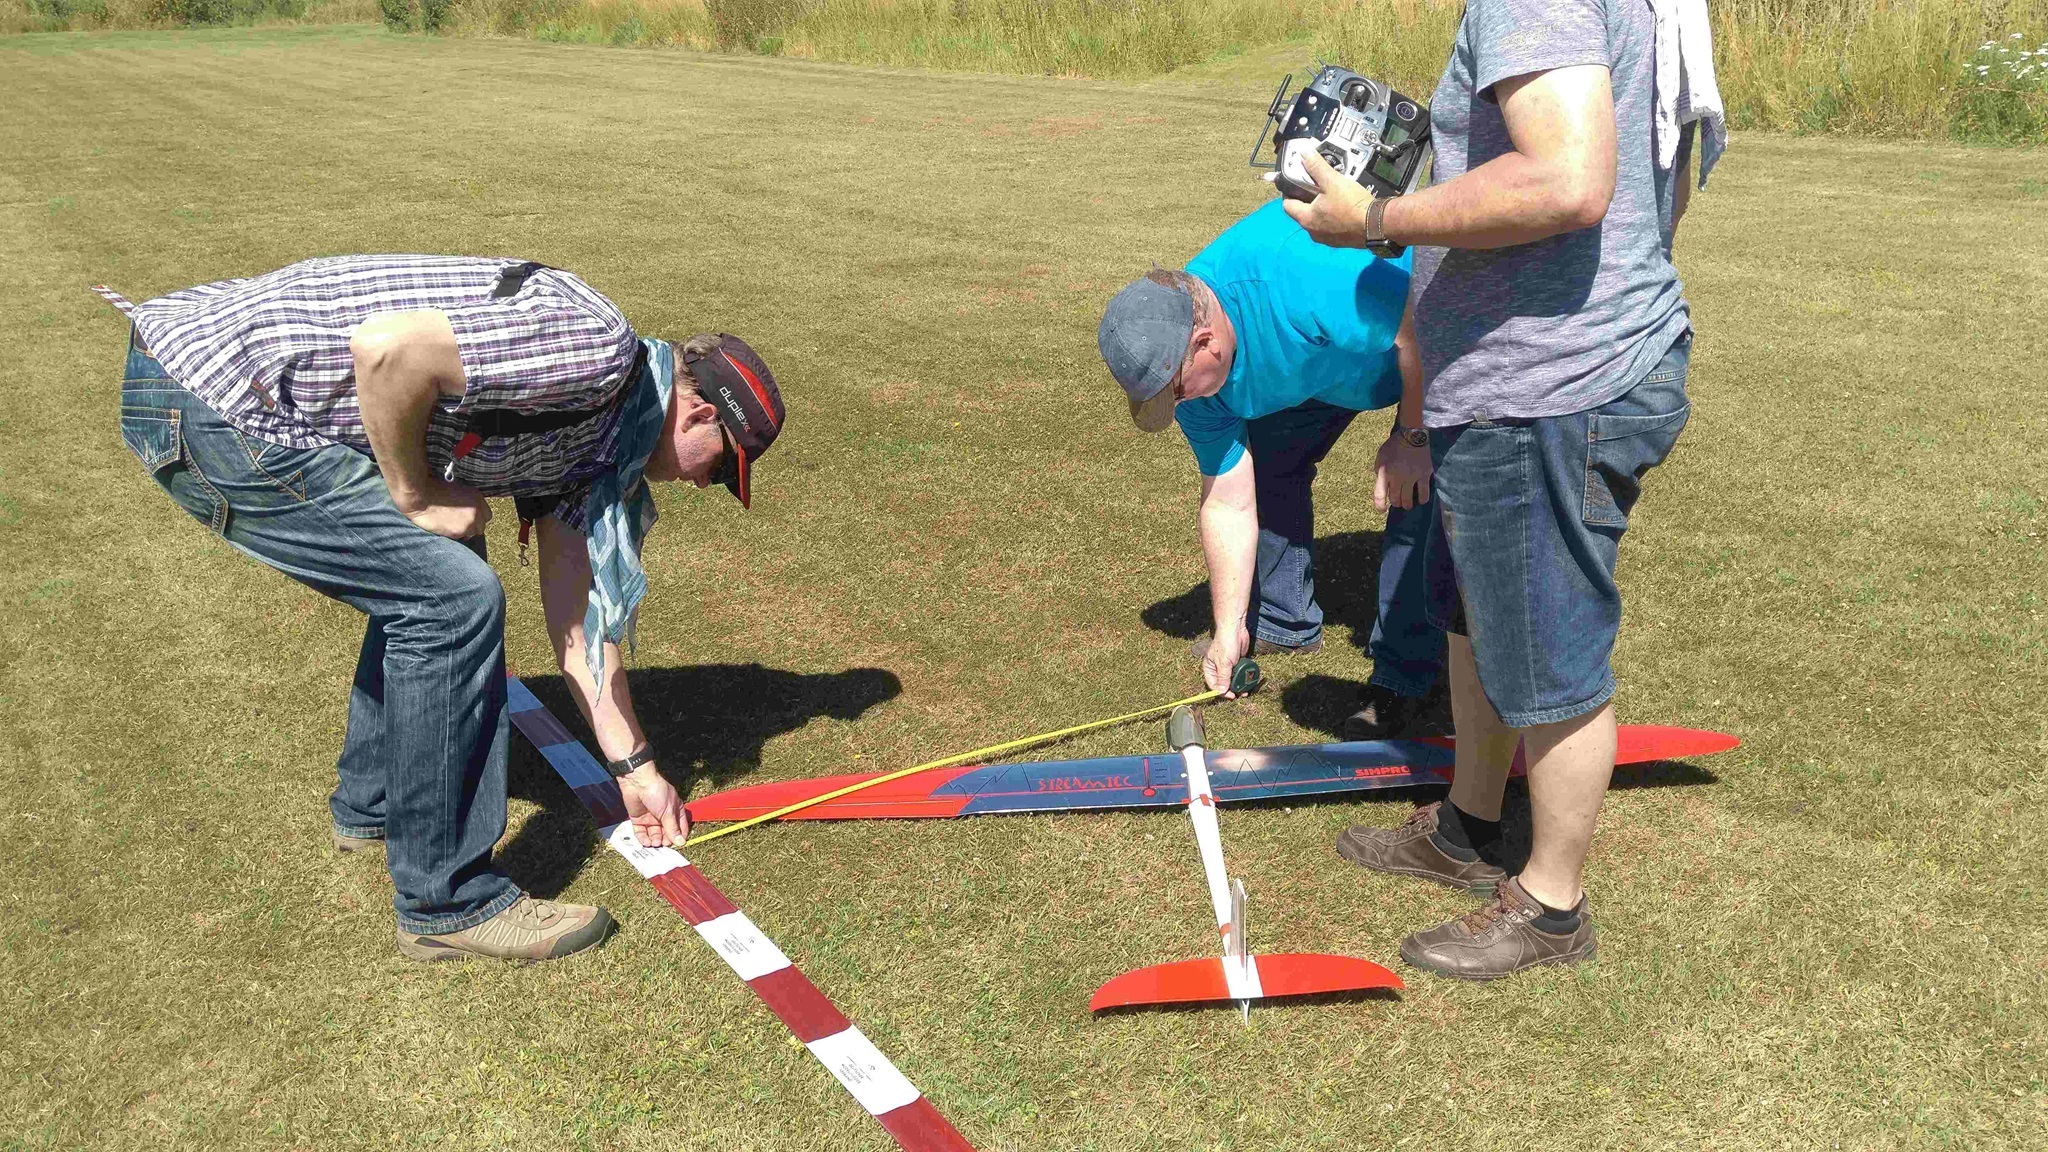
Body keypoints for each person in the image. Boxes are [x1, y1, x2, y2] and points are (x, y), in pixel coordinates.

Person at [98, 256, 785, 962]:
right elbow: (387, 352)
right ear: (701, 413)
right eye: (719, 466)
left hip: (206, 380)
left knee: (439, 569)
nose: (703, 484)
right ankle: (447, 903)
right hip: (215, 401)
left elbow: (577, 616)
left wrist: (634, 767)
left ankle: (375, 805)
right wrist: (415, 493)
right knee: (453, 598)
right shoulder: (598, 353)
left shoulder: (603, 440)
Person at [1284, 0, 1713, 978]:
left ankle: (1550, 907)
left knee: (1547, 647)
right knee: (1478, 616)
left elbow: (1567, 180)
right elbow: (1666, 172)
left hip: (1548, 385)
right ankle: (1468, 828)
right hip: (1536, 373)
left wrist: (1374, 220)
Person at [1097, 201, 1445, 733]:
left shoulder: (1302, 273)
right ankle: (1282, 622)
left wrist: (1412, 437)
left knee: (1416, 489)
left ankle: (1404, 678)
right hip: (1327, 366)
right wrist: (1227, 628)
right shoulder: (1191, 379)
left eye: (1177, 390)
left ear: (1206, 343)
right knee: (1270, 463)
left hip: (1427, 342)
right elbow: (1228, 500)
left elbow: (1421, 328)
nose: (1180, 404)